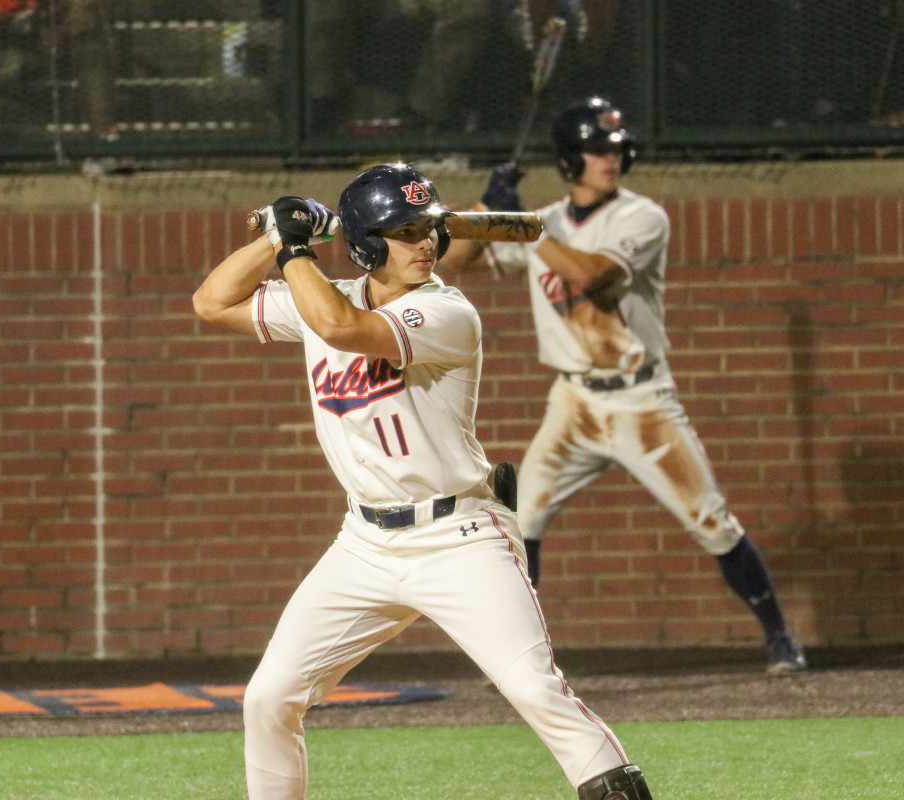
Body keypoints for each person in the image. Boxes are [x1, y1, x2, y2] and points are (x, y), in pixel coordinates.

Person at [192, 162, 655, 800]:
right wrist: (276, 238)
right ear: (364, 245)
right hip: (364, 544)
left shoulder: (446, 311)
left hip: (460, 536)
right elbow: (212, 303)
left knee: (535, 691)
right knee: (269, 697)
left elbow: (338, 328)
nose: (427, 244)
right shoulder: (325, 297)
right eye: (405, 232)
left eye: (429, 228)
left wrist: (298, 244)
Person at [440, 96, 808, 676]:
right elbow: (454, 260)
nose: (610, 158)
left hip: (641, 399)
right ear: (569, 160)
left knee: (710, 521)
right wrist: (488, 206)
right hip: (574, 400)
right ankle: (525, 659)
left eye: (615, 148)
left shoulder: (641, 216)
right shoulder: (550, 222)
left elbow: (594, 276)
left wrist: (527, 227)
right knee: (522, 518)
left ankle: (779, 637)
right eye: (596, 149)